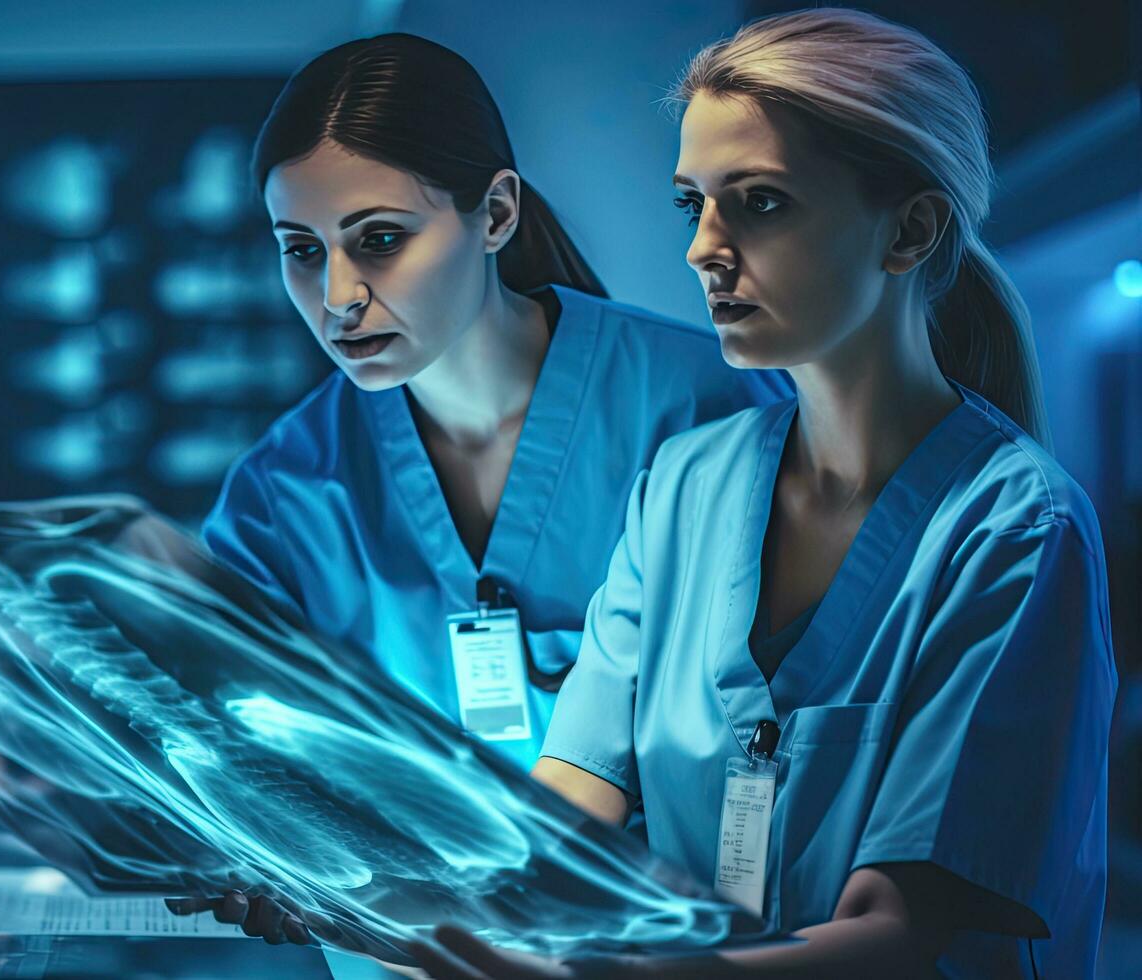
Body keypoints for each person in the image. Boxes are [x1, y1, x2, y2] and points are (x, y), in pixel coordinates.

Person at [405, 9, 1115, 978]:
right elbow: (570, 798)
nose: (703, 246)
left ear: (908, 230)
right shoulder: (685, 486)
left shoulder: (1016, 529)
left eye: (761, 203)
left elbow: (893, 928)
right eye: (691, 202)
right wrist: (377, 890)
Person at [200, 33, 784, 777]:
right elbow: (231, 739)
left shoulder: (710, 407)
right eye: (303, 250)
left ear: (497, 214)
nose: (338, 298)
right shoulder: (283, 494)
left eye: (379, 238)